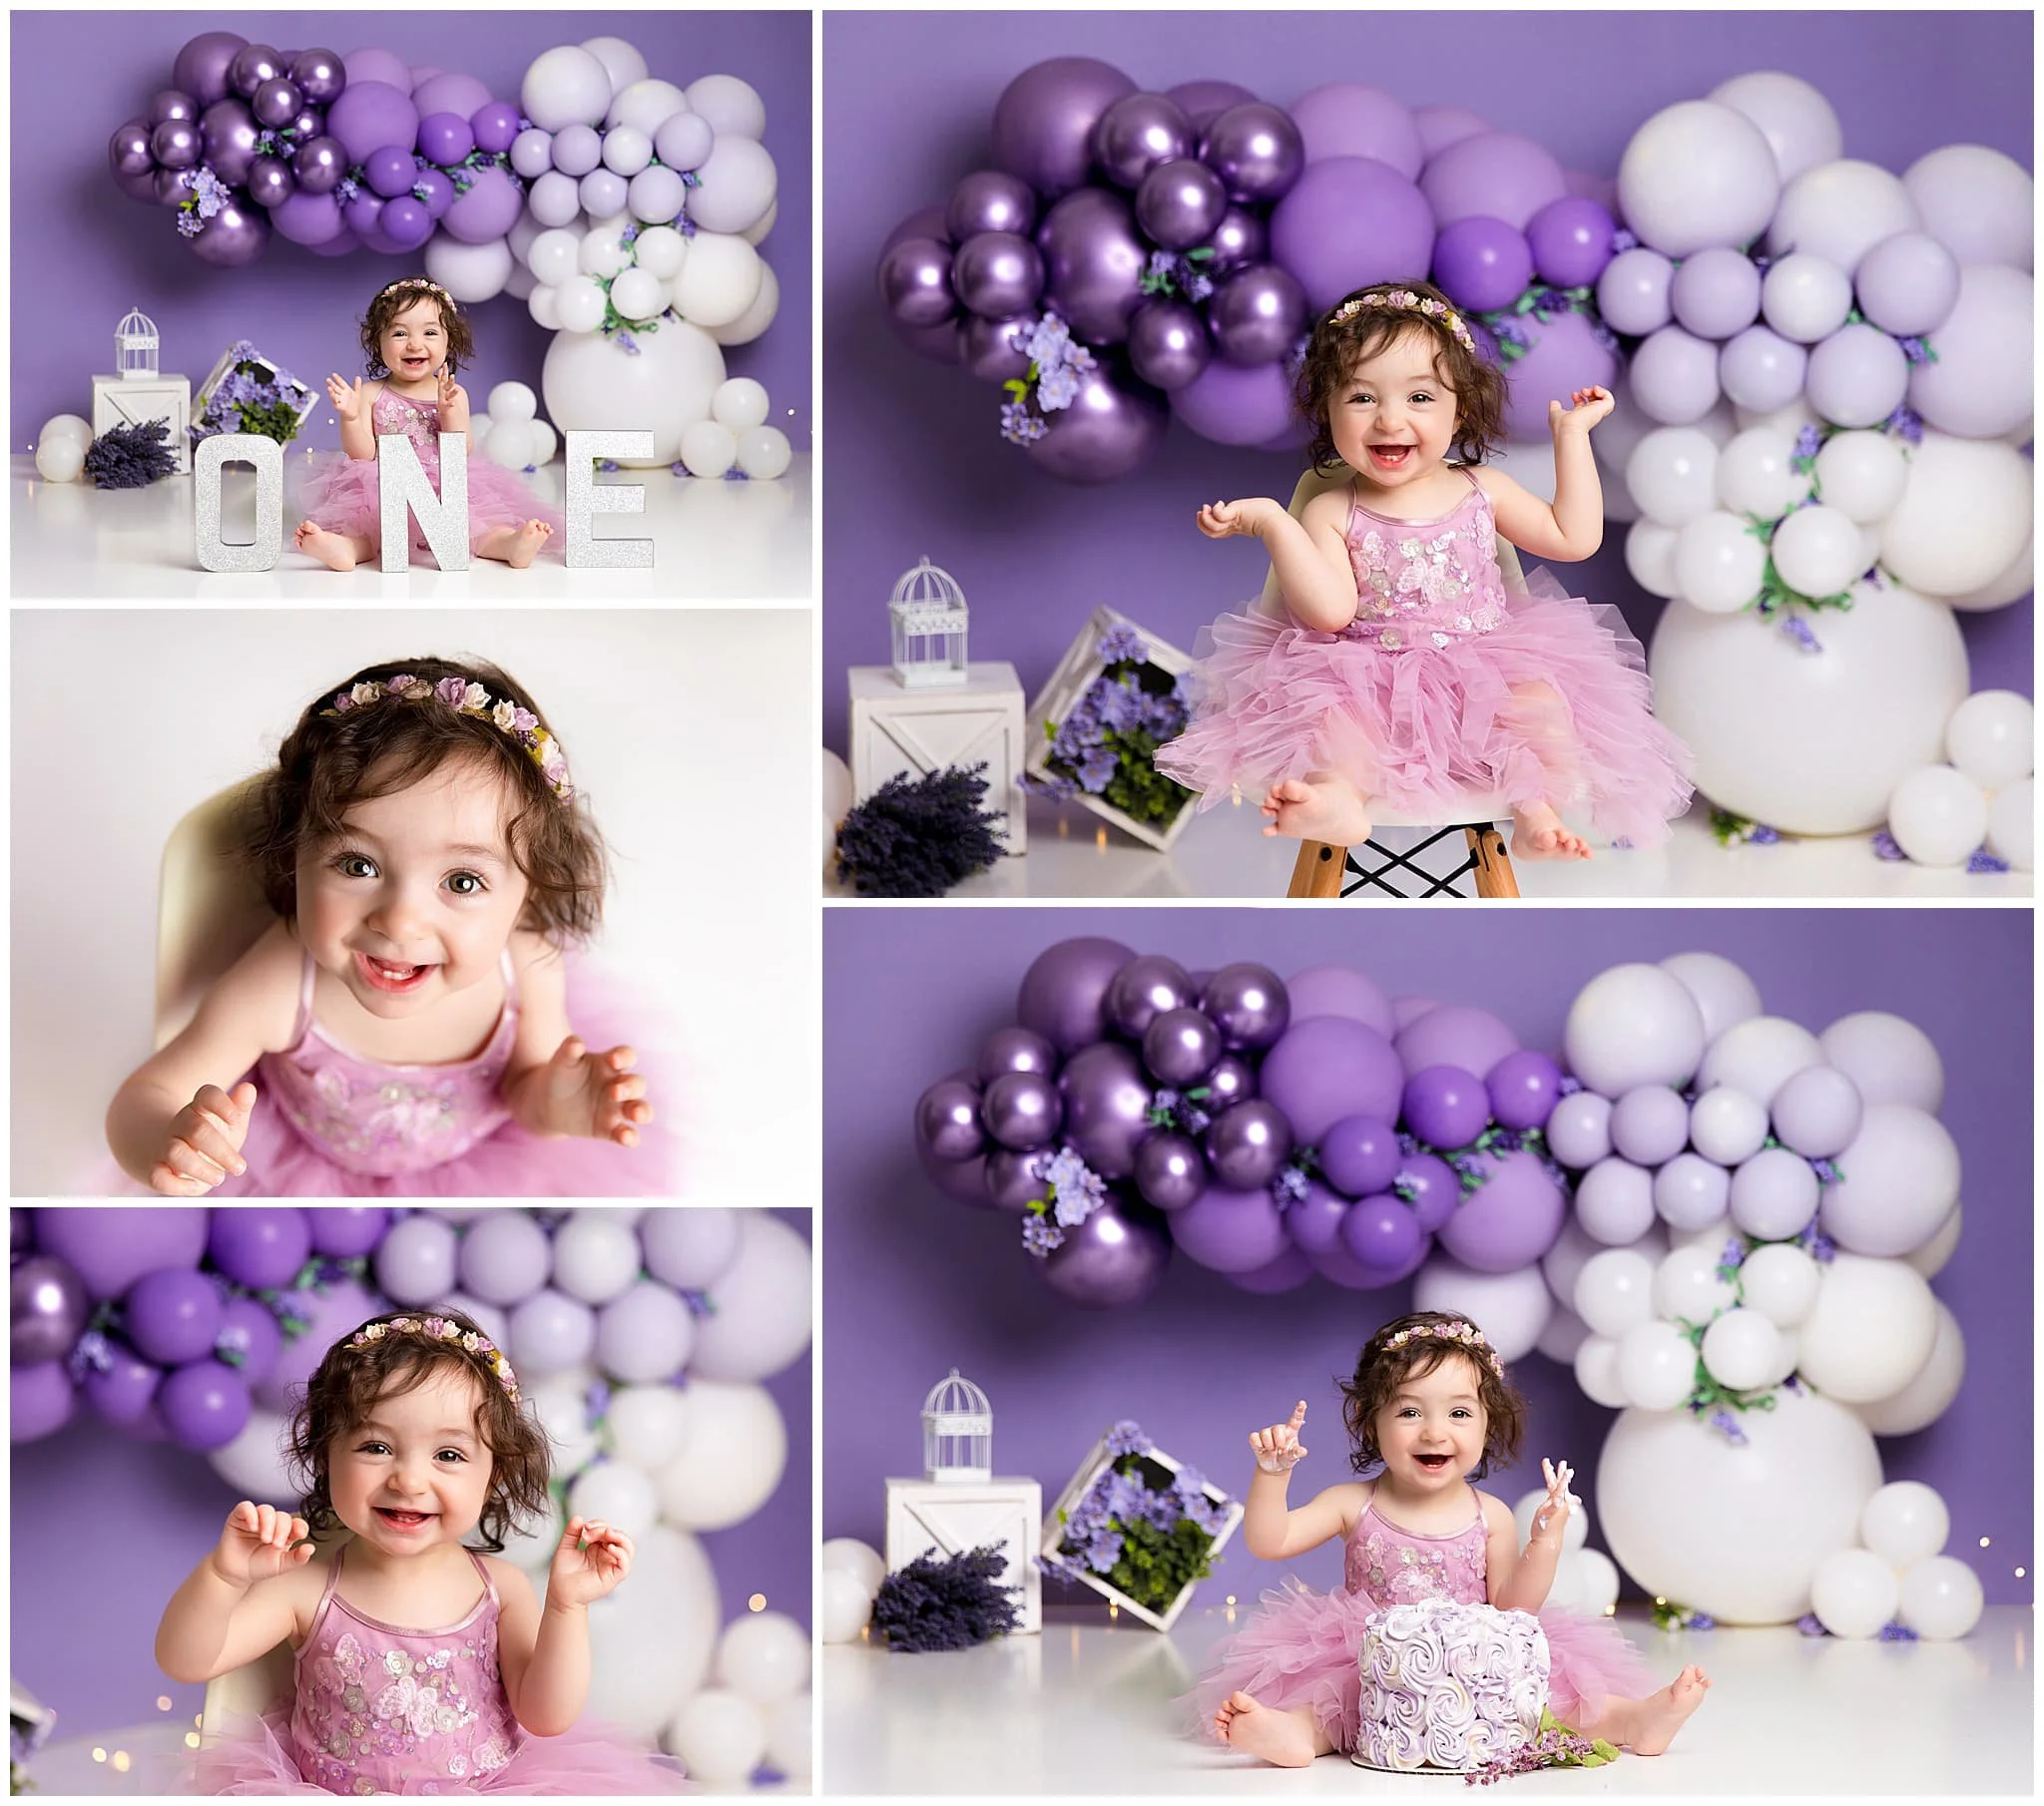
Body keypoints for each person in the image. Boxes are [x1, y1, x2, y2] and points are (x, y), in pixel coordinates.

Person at [1156, 280, 1693, 859]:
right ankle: (1339, 799)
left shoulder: (1482, 489)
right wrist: (1272, 523)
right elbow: (1328, 612)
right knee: (1338, 723)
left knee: (1536, 704)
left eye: (1419, 398)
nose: (1389, 420)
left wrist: (1572, 439)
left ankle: (1537, 813)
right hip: (1368, 676)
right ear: (1327, 410)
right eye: (1362, 398)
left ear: (1460, 408)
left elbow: (1573, 537)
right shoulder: (1331, 509)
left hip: (1485, 668)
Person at [105, 657, 662, 1195]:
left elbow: (526, 1091)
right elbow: (148, 1094)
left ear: (529, 891)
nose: (399, 919)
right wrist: (165, 1140)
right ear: (294, 855)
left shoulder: (529, 968)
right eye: (358, 866)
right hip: (301, 1171)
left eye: (463, 882)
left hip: (475, 1172)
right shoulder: (281, 981)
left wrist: (558, 1103)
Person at [156, 1309, 687, 1793]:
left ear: (493, 1474)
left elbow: (546, 1716)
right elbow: (185, 1661)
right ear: (327, 1456)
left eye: (449, 1454)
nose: (409, 1479)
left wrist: (567, 1606)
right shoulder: (306, 1587)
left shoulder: (500, 1589)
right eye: (376, 1447)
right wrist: (223, 1577)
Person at [1190, 1312, 1710, 1768]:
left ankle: (1633, 1721)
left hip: (1475, 1661)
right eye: (1410, 1411)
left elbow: (1514, 1607)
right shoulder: (1353, 1503)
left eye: (1459, 1413)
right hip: (1376, 1655)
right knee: (1344, 1695)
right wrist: (1272, 1475)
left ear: (1487, 1424)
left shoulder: (1491, 1515)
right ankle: (1295, 1734)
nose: (1435, 1432)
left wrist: (1546, 1540)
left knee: (1551, 1695)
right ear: (1373, 1424)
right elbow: (1270, 1539)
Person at [293, 276, 562, 571]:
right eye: (399, 334)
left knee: (478, 523)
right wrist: (351, 416)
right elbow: (363, 455)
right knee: (365, 527)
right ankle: (344, 548)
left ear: (449, 341)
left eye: (430, 332)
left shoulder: (451, 394)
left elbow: (461, 451)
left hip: (443, 483)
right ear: (377, 341)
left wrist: (448, 411)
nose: (414, 344)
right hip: (386, 487)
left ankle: (510, 545)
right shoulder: (370, 394)